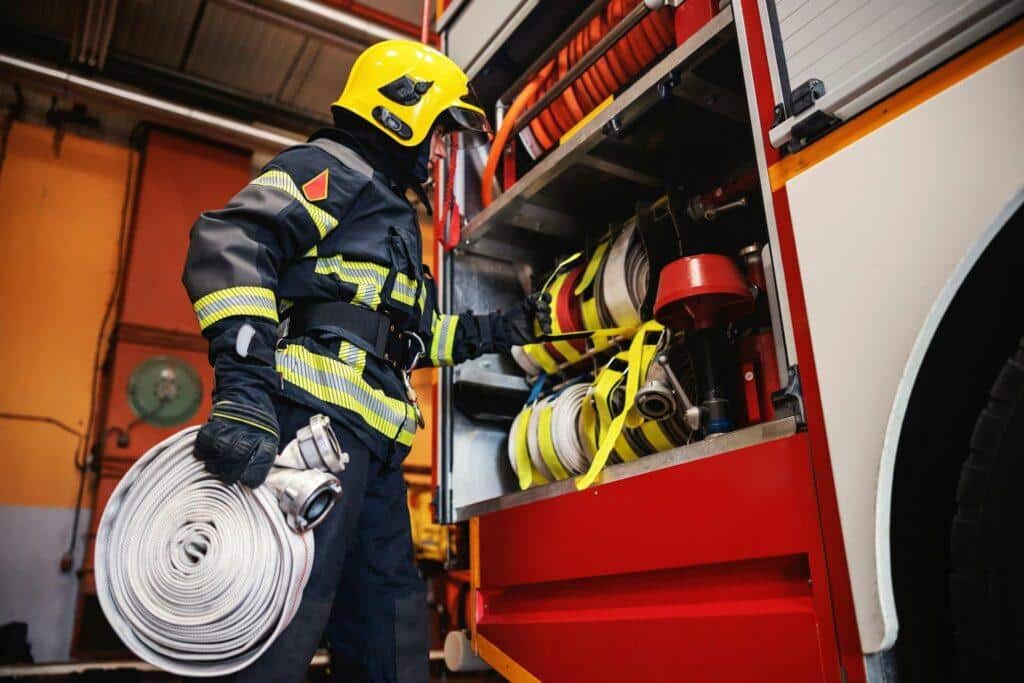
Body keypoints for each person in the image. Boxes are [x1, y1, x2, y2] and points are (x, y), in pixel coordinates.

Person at [181, 40, 551, 682]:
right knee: (275, 632)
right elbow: (233, 240)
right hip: (310, 435)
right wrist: (243, 390)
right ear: (400, 110)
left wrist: (509, 327)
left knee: (391, 637)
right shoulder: (332, 168)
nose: (441, 151)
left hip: (374, 459)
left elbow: (411, 334)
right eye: (439, 131)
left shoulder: (390, 215)